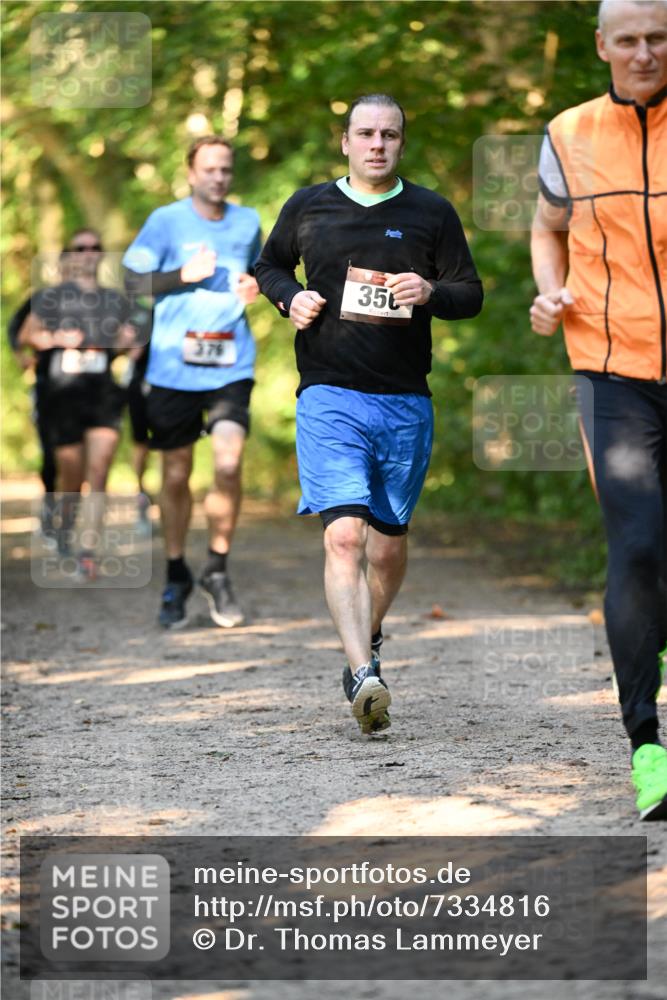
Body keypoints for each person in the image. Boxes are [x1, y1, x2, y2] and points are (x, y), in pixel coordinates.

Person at [256, 94, 483, 734]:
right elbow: (269, 265)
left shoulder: (432, 212)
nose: (377, 143)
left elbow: (471, 294)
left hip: (405, 398)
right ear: (346, 142)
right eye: (366, 133)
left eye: (389, 134)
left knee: (386, 550)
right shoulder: (308, 205)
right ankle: (362, 673)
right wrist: (288, 298)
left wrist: (432, 291)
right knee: (344, 536)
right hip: (328, 392)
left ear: (401, 144)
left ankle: (370, 633)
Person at [530, 0, 667, 819]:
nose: (644, 52)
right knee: (639, 541)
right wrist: (550, 293)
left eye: (658, 37)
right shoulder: (569, 133)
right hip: (609, 367)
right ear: (601, 47)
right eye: (629, 39)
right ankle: (646, 747)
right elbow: (547, 228)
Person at [123, 136, 261, 629]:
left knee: (228, 463)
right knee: (177, 474)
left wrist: (255, 287)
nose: (218, 177)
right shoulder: (165, 221)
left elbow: (261, 273)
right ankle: (177, 572)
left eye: (225, 169)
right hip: (171, 367)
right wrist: (182, 274)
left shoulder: (248, 223)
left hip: (230, 363)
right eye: (209, 169)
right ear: (191, 174)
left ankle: (217, 569)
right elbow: (132, 281)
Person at [19, 229, 140, 580]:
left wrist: (125, 343)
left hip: (102, 391)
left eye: (95, 247)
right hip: (63, 393)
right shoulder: (52, 297)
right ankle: (65, 523)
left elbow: (123, 346)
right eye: (80, 248)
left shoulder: (114, 300)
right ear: (70, 256)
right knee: (71, 476)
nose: (88, 253)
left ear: (101, 255)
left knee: (99, 470)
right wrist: (57, 339)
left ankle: (88, 554)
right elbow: (29, 335)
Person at [7, 294, 57, 538]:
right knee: (51, 456)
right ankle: (50, 511)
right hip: (48, 388)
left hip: (91, 395)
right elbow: (16, 327)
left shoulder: (100, 299)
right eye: (79, 252)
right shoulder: (44, 297)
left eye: (92, 252)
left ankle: (70, 524)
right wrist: (20, 354)